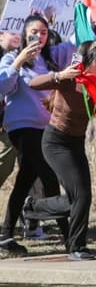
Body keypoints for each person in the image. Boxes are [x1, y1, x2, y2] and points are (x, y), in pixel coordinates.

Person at [23, 41, 96, 260]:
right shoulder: (69, 79)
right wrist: (59, 75)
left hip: (77, 143)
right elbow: (33, 83)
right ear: (86, 60)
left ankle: (33, 207)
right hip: (55, 142)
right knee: (82, 195)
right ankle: (77, 247)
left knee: (79, 198)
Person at [0, 14, 74, 255]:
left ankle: (6, 233)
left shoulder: (50, 59)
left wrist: (85, 19)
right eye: (33, 32)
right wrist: (18, 61)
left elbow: (75, 45)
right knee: (50, 176)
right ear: (24, 34)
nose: (39, 37)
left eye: (43, 32)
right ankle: (69, 236)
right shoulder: (12, 58)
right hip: (21, 127)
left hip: (46, 128)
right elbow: (3, 87)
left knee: (24, 181)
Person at [0, 33, 21, 189]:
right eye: (13, 33)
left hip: (8, 119)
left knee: (6, 163)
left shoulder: (20, 54)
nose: (17, 36)